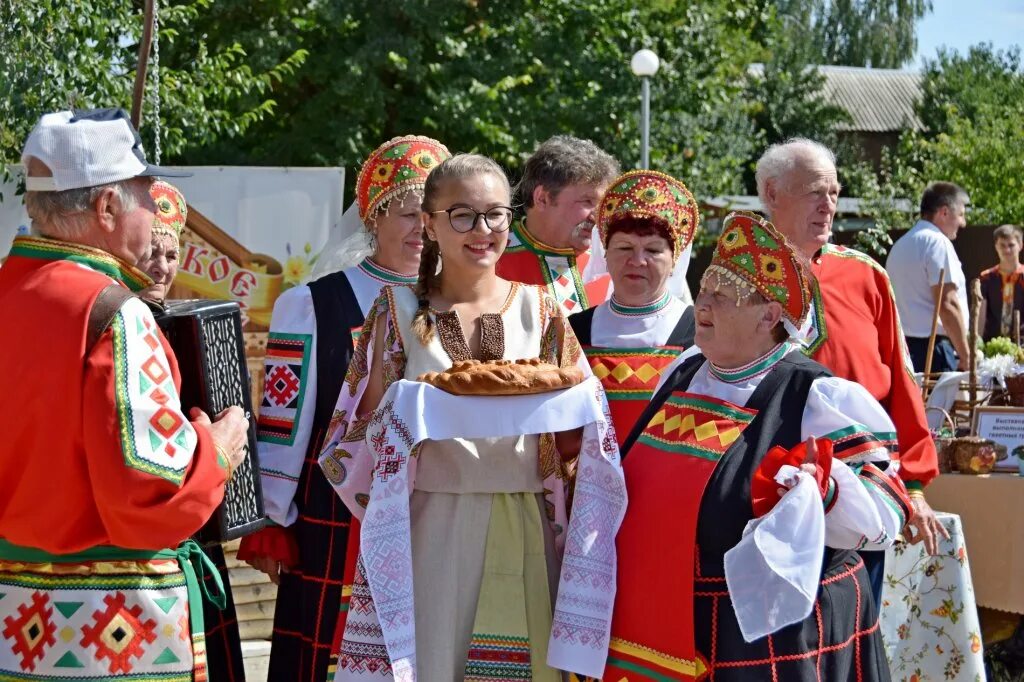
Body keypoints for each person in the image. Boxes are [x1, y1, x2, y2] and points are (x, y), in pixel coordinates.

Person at [317, 154, 622, 680]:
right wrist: (402, 417)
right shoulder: (396, 310)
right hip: (427, 524)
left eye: (495, 215)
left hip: (524, 517)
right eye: (462, 215)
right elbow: (352, 440)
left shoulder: (542, 308)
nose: (482, 231)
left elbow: (580, 429)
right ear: (430, 223)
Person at [605, 212, 910, 681]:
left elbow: (886, 514)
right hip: (672, 619)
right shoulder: (682, 373)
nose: (701, 305)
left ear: (769, 316)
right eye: (704, 291)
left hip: (772, 636)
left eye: (721, 297)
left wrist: (826, 492)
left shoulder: (814, 396)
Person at [0, 108, 249, 679]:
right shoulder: (115, 314)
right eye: (144, 195)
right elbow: (150, 497)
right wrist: (218, 449)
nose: (151, 209)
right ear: (106, 209)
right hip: (112, 629)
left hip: (14, 623)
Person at [237, 136, 450, 682]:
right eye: (406, 213)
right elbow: (284, 419)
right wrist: (273, 517)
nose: (420, 229)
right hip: (333, 513)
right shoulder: (311, 303)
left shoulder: (462, 302)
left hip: (434, 509)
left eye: (432, 215)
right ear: (373, 217)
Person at [755, 140, 944, 604]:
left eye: (834, 193)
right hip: (765, 493)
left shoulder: (867, 276)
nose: (828, 205)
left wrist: (914, 483)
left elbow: (902, 382)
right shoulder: (735, 279)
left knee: (856, 636)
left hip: (861, 488)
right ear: (772, 194)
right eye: (815, 192)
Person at [137, 180, 249, 682]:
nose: (160, 265)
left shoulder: (188, 322)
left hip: (198, 515)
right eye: (149, 251)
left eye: (170, 253)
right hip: (147, 518)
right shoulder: (116, 324)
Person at [570, 169, 700, 446]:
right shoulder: (574, 331)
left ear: (674, 259)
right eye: (624, 248)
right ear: (605, 253)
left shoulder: (700, 333)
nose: (637, 261)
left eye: (653, 250)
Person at [495, 134, 619, 314]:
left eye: (603, 205)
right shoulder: (491, 258)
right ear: (542, 198)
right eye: (587, 201)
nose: (598, 216)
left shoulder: (614, 262)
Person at [886, 181, 971, 373]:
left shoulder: (901, 244)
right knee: (938, 404)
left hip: (904, 350)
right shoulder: (937, 243)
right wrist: (966, 356)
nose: (963, 223)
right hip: (934, 352)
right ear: (944, 212)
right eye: (961, 215)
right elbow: (947, 304)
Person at [978, 224, 1024, 342]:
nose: (1007, 250)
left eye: (1011, 245)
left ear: (1020, 245)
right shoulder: (986, 277)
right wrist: (976, 342)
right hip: (993, 344)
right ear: (996, 247)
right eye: (1002, 245)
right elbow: (980, 314)